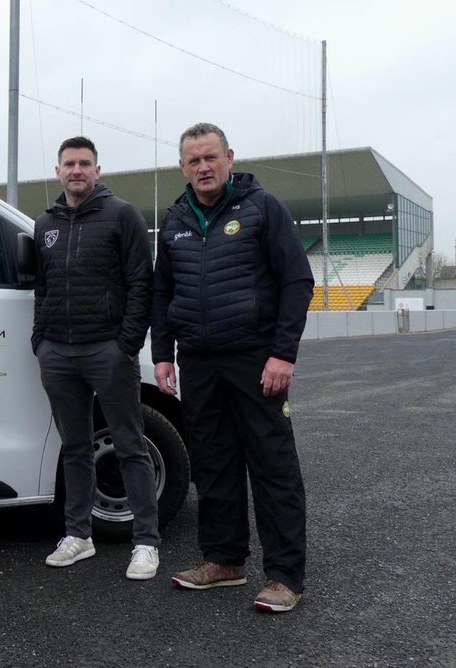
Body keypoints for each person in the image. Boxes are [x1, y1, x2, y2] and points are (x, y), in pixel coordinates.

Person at [151, 122, 314, 613]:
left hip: (255, 359)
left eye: (211, 157)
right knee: (213, 464)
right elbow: (163, 292)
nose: (203, 167)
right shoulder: (175, 219)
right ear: (182, 167)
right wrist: (163, 354)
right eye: (193, 160)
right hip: (198, 361)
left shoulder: (263, 209)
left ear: (229, 158)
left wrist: (283, 353)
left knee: (272, 465)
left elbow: (296, 281)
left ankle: (285, 575)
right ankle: (224, 560)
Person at [32, 136, 161, 579]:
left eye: (85, 164)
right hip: (58, 352)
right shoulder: (45, 222)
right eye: (69, 164)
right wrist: (40, 339)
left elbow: (142, 283)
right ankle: (78, 536)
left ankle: (145, 542)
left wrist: (126, 344)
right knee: (75, 447)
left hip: (107, 350)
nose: (77, 171)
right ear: (58, 170)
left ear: (98, 170)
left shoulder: (121, 215)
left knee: (130, 445)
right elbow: (43, 287)